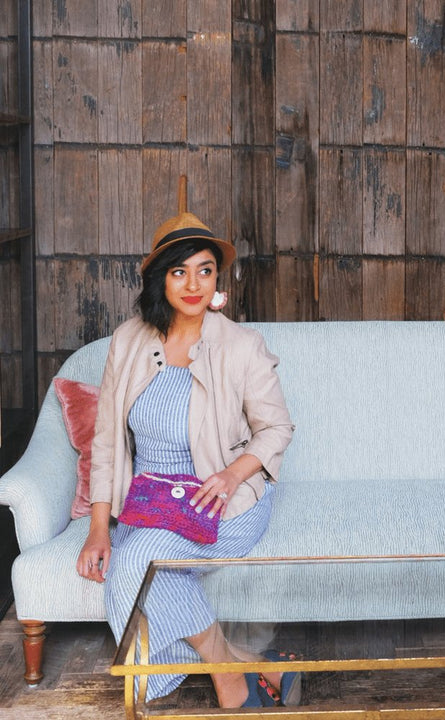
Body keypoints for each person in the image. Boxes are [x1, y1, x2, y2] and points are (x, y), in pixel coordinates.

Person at [75, 208, 296, 708]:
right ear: (160, 278)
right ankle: (241, 663)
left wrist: (232, 472)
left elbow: (277, 427)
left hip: (221, 499)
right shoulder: (129, 341)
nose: (193, 284)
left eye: (204, 270)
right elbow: (107, 439)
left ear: (218, 277)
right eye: (179, 271)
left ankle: (228, 678)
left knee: (137, 561)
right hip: (151, 504)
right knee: (142, 561)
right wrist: (97, 527)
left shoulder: (241, 346)